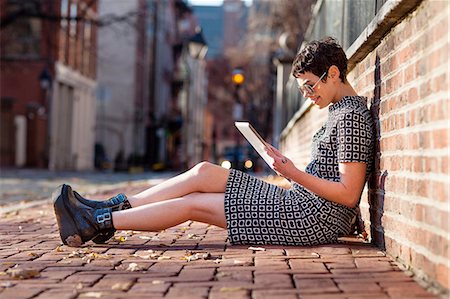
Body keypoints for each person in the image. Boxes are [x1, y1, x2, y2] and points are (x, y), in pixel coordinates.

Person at [53, 37, 374, 247]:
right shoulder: (339, 111)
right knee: (204, 172)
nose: (307, 94)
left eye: (309, 85)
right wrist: (289, 170)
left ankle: (96, 223)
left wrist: (292, 173)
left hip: (307, 219)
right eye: (303, 88)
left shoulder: (350, 117)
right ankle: (106, 206)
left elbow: (347, 195)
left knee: (193, 204)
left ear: (333, 73)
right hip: (299, 202)